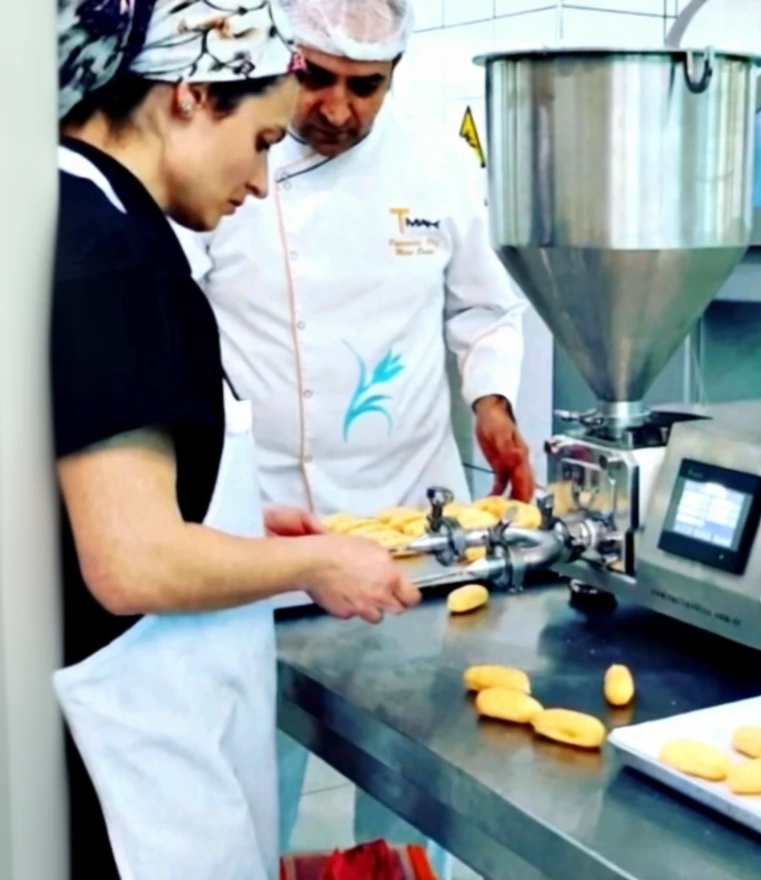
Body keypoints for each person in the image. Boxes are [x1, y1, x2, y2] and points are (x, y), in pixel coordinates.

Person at [52, 1, 420, 877]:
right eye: (259, 141)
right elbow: (131, 563)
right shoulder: (107, 250)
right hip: (127, 752)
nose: (259, 182)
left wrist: (240, 525)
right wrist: (316, 563)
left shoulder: (72, 208)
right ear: (190, 95)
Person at [174, 0, 535, 872]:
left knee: (420, 764)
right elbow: (176, 316)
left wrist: (492, 402)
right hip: (266, 522)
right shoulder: (232, 163)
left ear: (394, 75)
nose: (338, 108)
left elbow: (485, 309)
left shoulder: (440, 165)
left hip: (410, 519)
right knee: (258, 773)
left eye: (365, 87)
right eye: (317, 78)